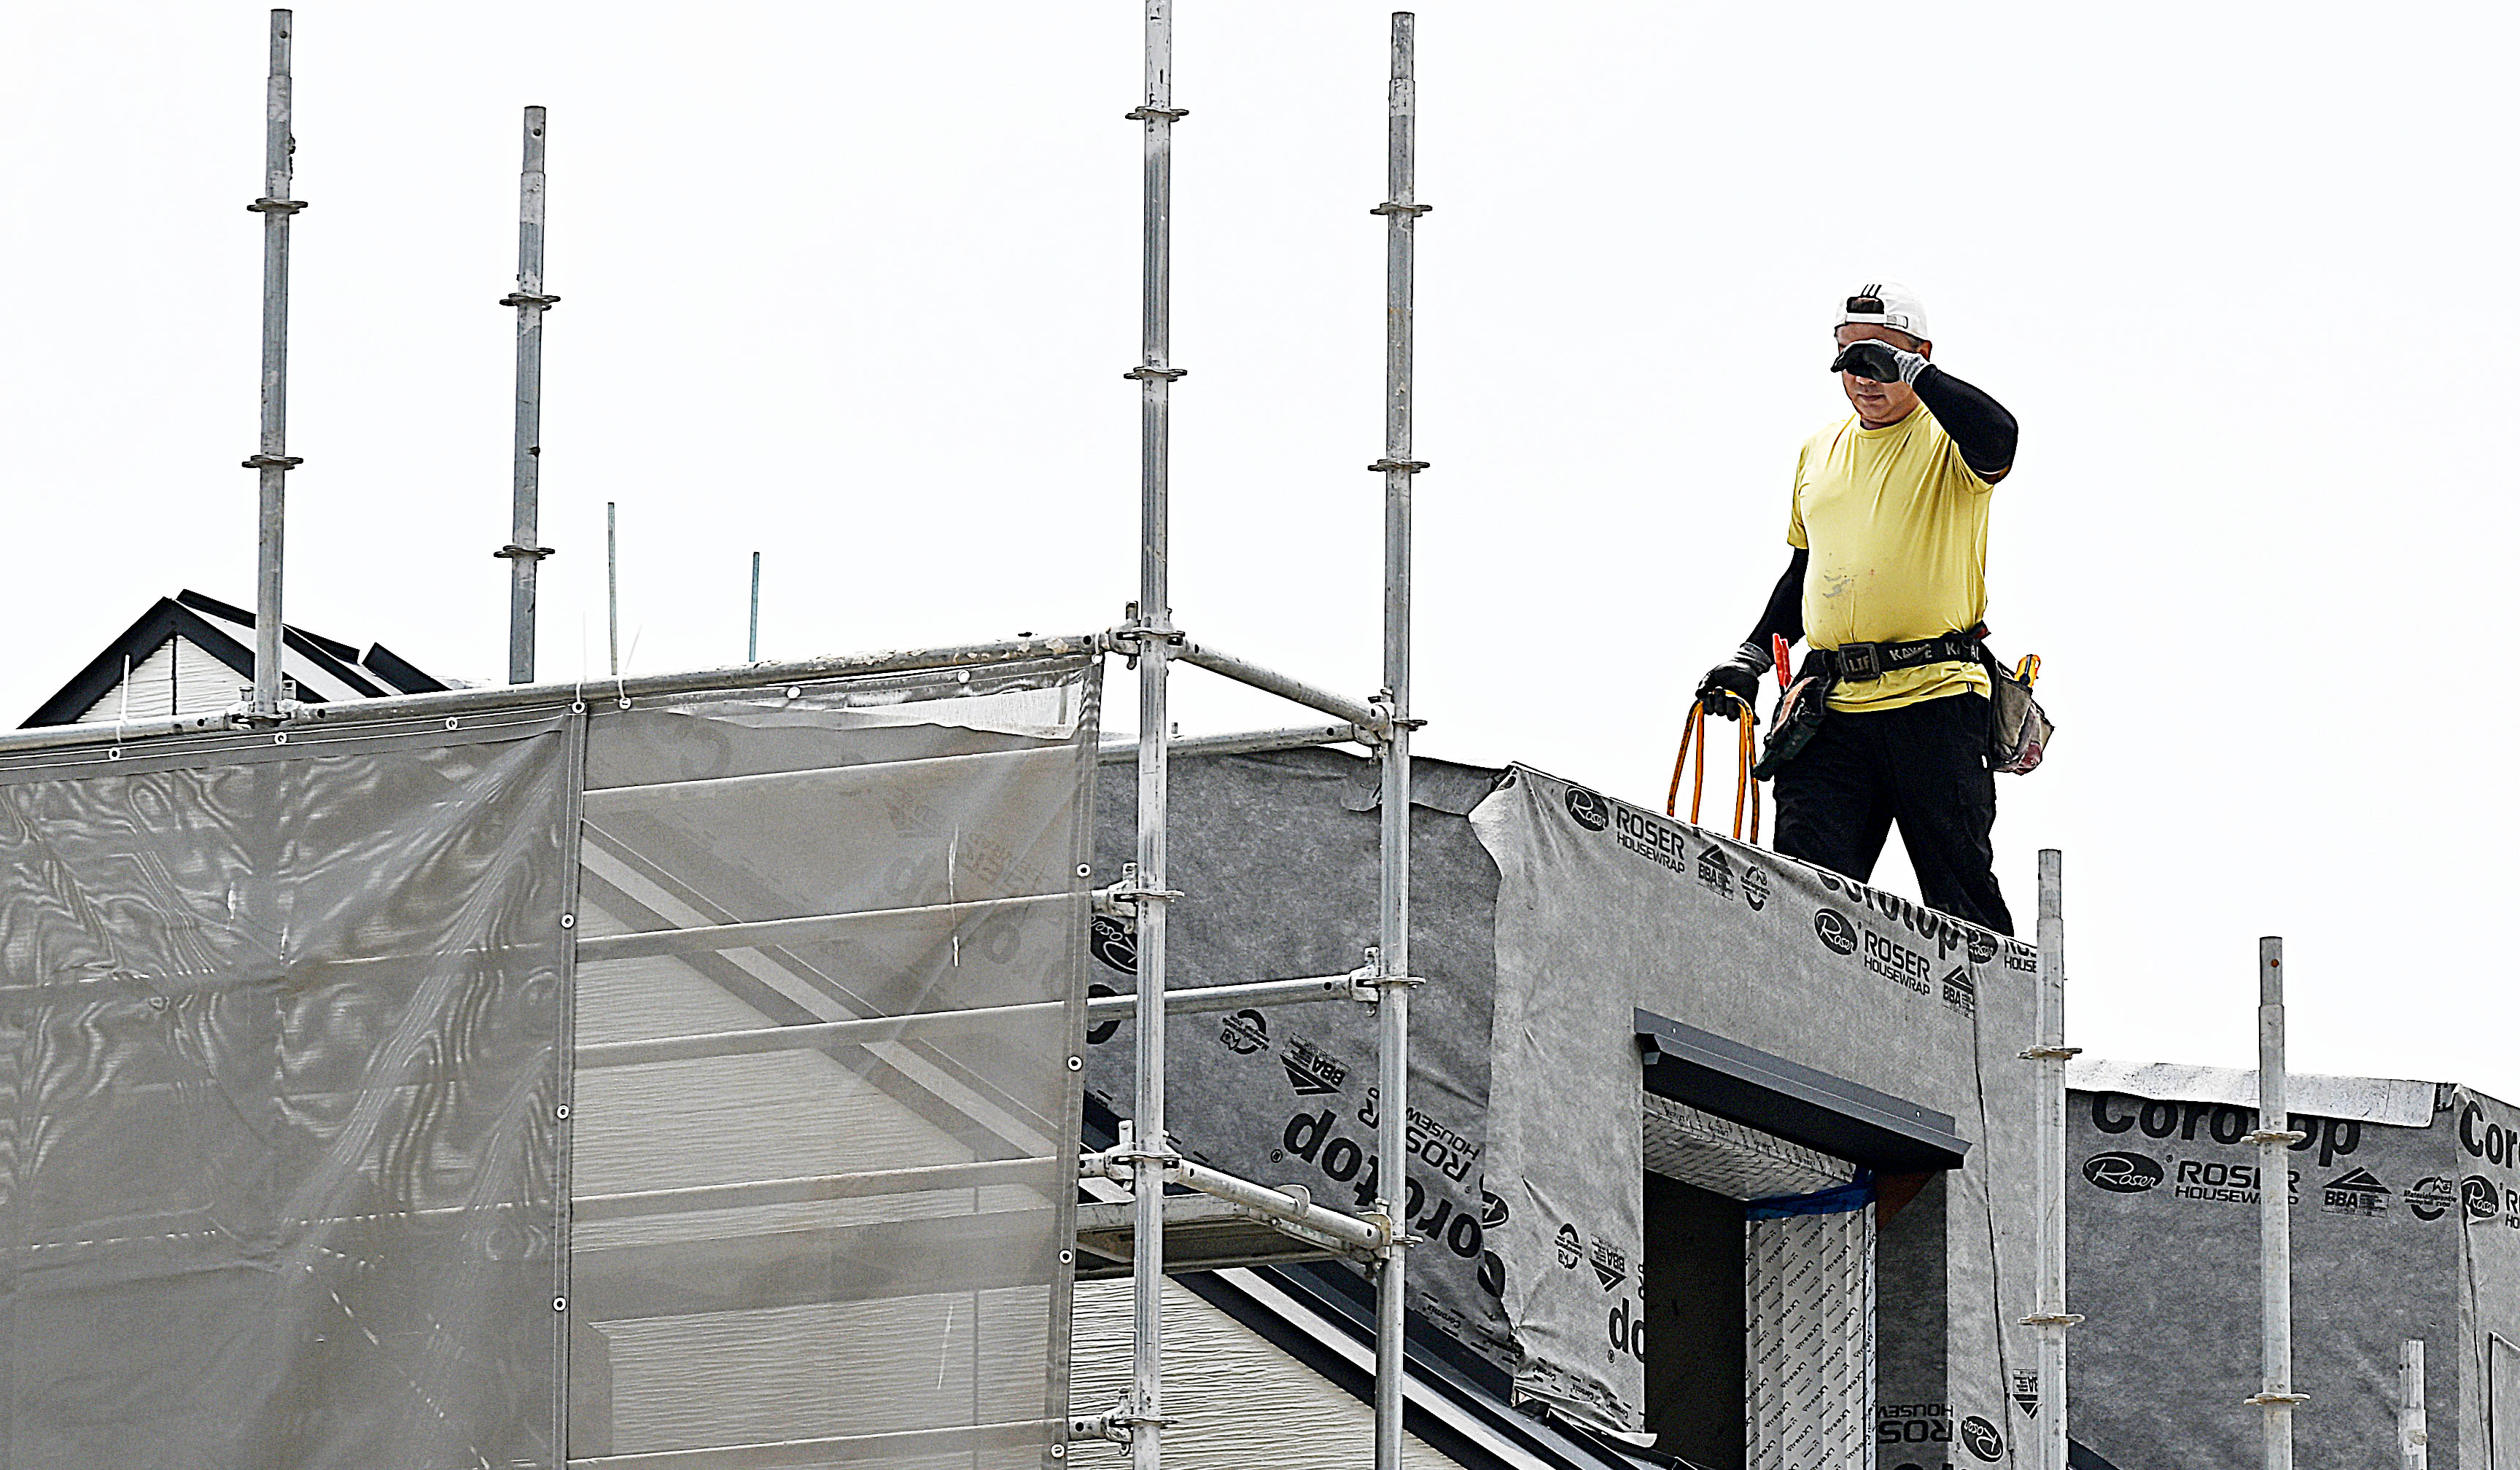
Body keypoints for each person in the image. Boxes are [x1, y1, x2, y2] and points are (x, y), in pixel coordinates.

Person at [1694, 282, 2021, 933]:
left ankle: (1998, 1031)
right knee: (1803, 894)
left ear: (1920, 355)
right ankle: (1802, 1032)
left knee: (1960, 894)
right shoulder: (1820, 451)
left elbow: (2001, 438)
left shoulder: (1945, 442)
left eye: (1880, 359)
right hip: (1833, 706)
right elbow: (1805, 567)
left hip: (1933, 696)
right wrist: (1750, 659)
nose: (1861, 376)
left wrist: (1913, 373)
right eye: (1848, 359)